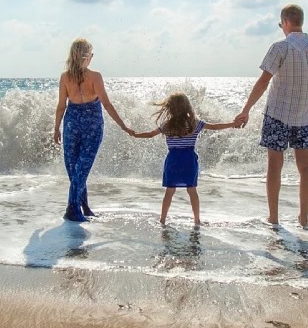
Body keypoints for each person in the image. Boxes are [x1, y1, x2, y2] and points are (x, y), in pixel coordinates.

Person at [233, 4, 308, 228]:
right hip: (304, 118)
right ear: (300, 22)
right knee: (305, 167)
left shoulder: (280, 47)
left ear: (285, 22)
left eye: (281, 24)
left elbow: (263, 82)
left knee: (274, 166)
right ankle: (303, 219)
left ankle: (274, 218)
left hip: (277, 115)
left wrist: (246, 109)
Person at [53, 38, 133, 223]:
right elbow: (106, 104)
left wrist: (56, 128)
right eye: (91, 54)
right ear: (87, 56)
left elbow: (61, 106)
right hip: (92, 125)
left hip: (72, 123)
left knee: (76, 168)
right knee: (79, 168)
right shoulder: (95, 77)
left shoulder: (65, 77)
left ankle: (82, 207)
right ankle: (73, 208)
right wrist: (123, 125)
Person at [132, 92, 237, 226]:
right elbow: (214, 127)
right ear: (187, 106)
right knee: (192, 191)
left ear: (170, 108)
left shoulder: (167, 125)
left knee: (169, 191)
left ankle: (163, 220)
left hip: (173, 160)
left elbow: (151, 134)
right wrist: (233, 124)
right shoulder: (194, 123)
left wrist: (135, 134)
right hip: (188, 160)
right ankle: (196, 220)